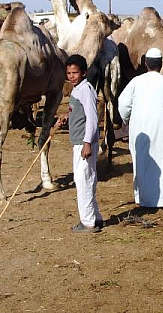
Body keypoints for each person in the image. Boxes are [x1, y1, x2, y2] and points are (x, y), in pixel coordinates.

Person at [118, 47, 163, 208]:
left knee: (142, 160)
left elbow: (123, 104)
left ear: (146, 64)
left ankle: (145, 198)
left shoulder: (136, 82)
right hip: (162, 129)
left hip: (140, 129)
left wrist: (126, 119)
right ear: (161, 64)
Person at [55, 54, 103, 233]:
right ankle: (95, 217)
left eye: (74, 73)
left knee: (84, 181)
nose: (71, 76)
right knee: (84, 178)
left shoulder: (86, 90)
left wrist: (87, 143)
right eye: (69, 73)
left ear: (84, 72)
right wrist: (67, 116)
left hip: (83, 142)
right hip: (78, 141)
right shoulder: (77, 89)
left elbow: (92, 117)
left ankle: (88, 222)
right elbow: (78, 110)